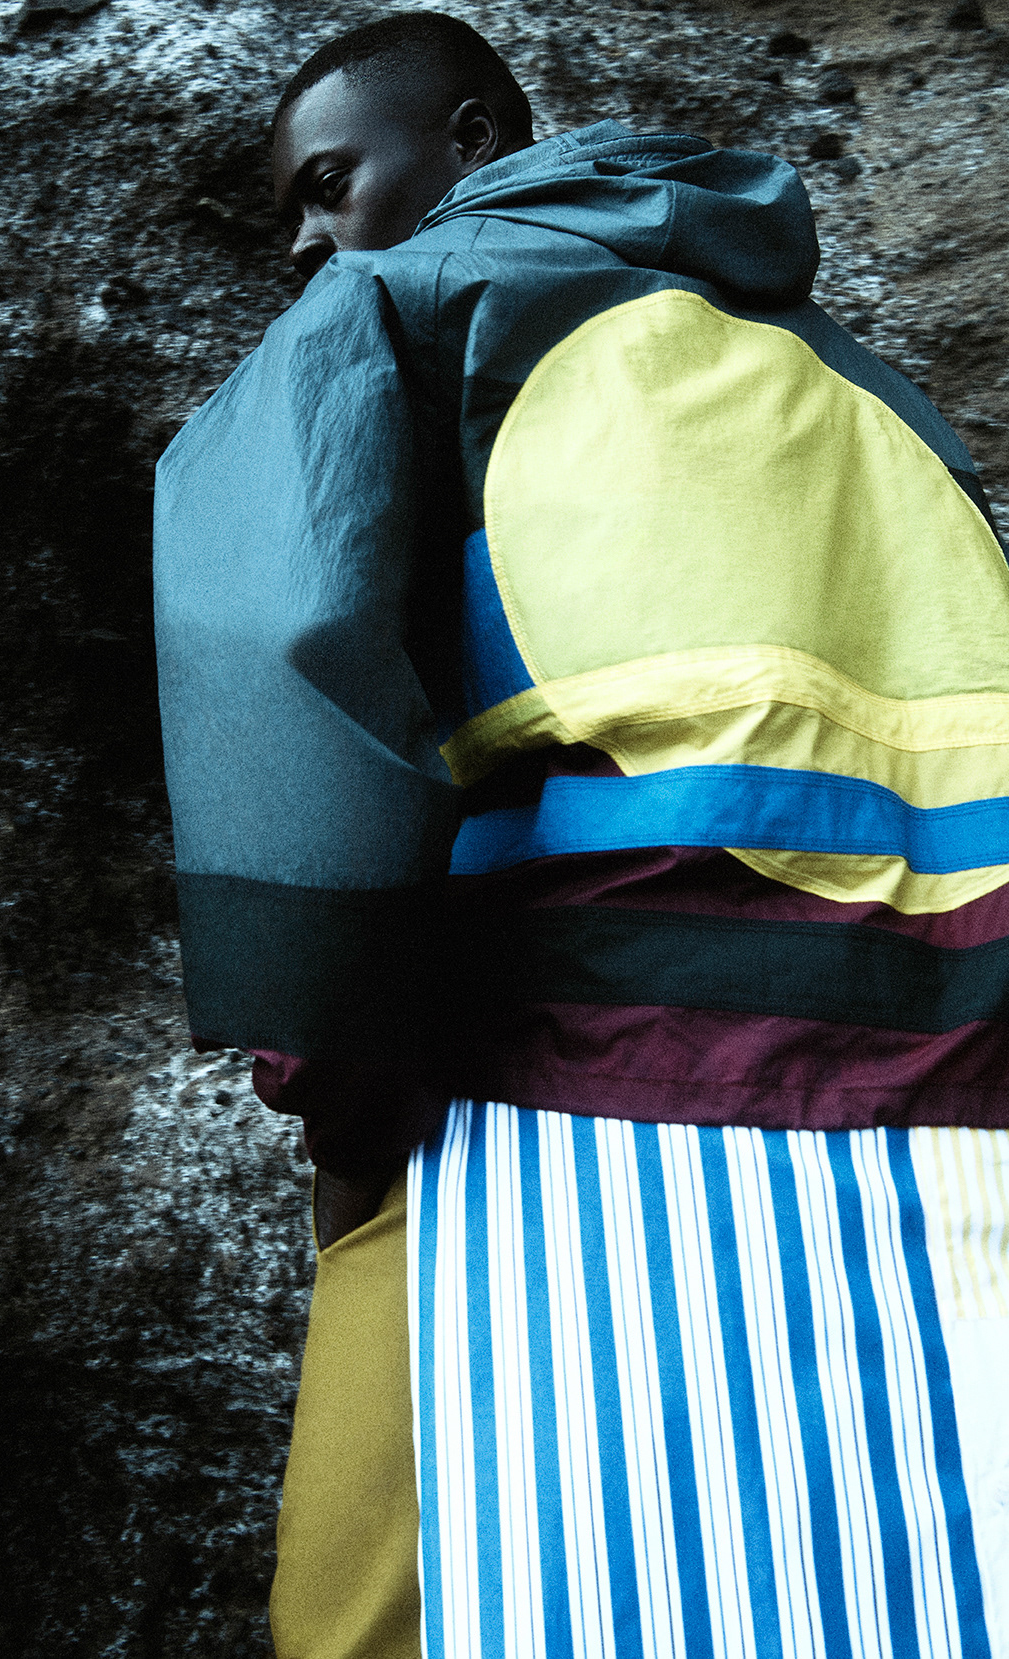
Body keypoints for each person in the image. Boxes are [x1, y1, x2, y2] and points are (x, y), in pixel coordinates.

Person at [154, 13, 1009, 1658]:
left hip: (572, 1058)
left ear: (472, 137)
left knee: (391, 1594)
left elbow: (271, 639)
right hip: (954, 1075)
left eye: (329, 183)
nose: (310, 242)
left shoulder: (403, 308)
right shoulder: (873, 391)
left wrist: (326, 1062)